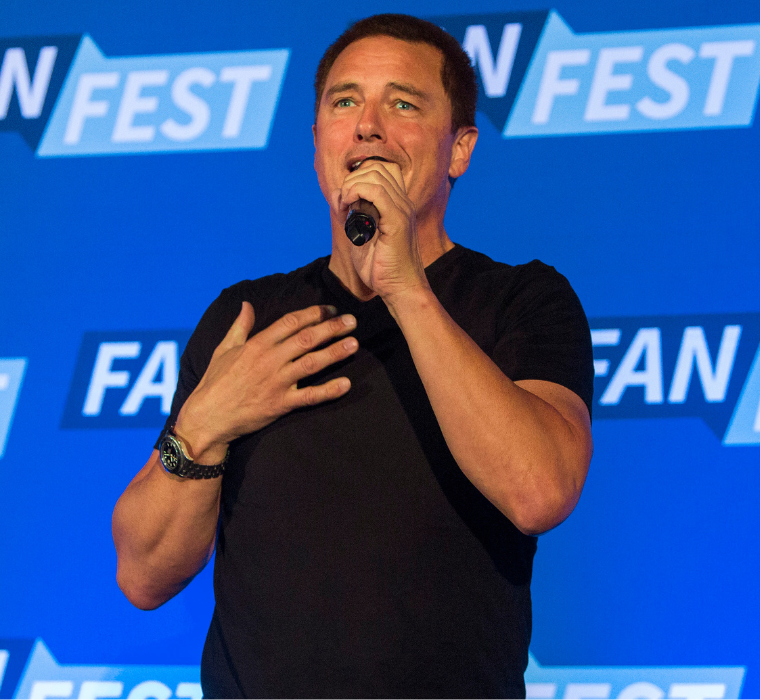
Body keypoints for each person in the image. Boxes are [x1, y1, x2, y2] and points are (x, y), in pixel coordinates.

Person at [111, 13, 594, 698]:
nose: (367, 126)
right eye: (344, 102)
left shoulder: (521, 300)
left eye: (403, 104)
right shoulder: (245, 319)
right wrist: (204, 424)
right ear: (317, 144)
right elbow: (142, 575)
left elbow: (539, 491)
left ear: (459, 150)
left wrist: (405, 288)